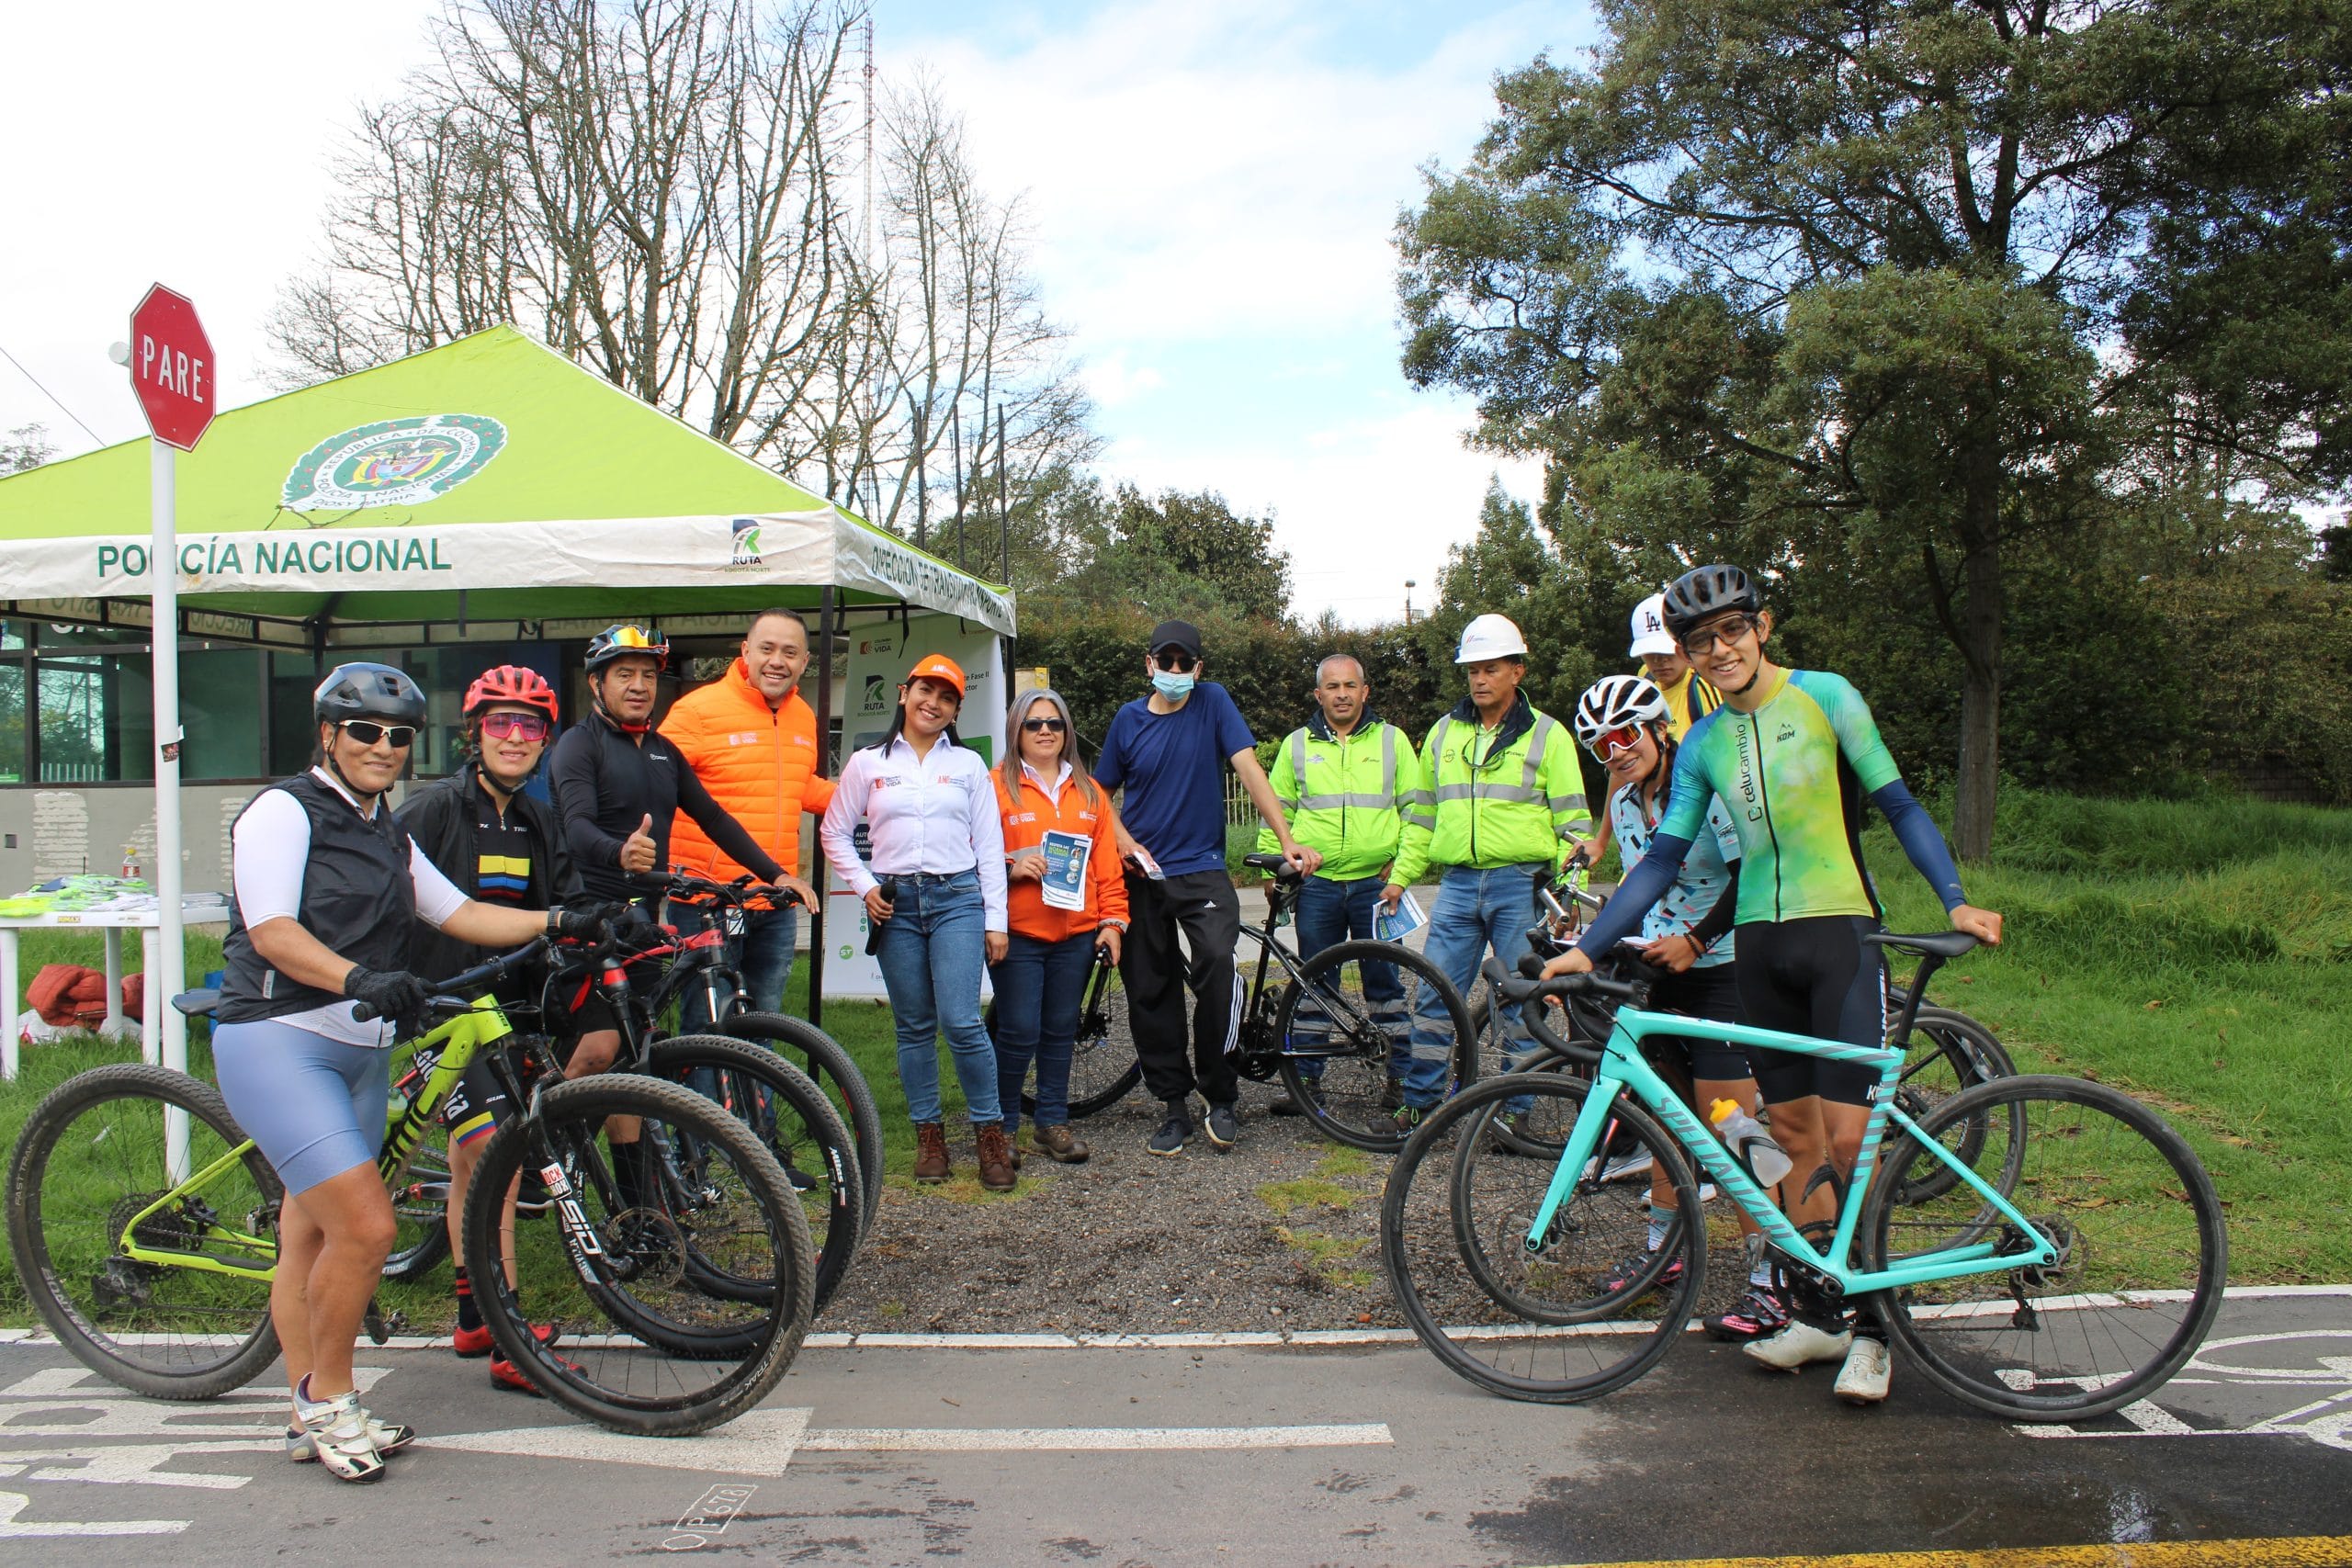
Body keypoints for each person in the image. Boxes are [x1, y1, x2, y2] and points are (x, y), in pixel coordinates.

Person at [1544, 564, 2004, 1406]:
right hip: (1759, 949)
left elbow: (1900, 805)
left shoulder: (1827, 697)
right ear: (1681, 653)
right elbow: (1660, 861)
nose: (1717, 651)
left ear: (1763, 626)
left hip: (1840, 937)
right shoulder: (1708, 744)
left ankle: (1875, 1331)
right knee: (1787, 1138)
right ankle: (1822, 1311)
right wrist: (1591, 946)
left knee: (1846, 1144)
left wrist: (1956, 898)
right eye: (1698, 641)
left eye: (1731, 631)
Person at [210, 663, 614, 1482]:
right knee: (368, 1228)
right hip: (279, 1037)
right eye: (364, 731)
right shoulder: (283, 811)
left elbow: (459, 911)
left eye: (399, 735)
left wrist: (565, 916)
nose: (383, 747)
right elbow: (273, 929)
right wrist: (358, 977)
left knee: (313, 1234)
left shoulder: (384, 829)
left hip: (358, 1050)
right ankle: (332, 1400)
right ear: (327, 734)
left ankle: (307, 1404)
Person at [395, 664, 587, 1395]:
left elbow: (559, 902)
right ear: (474, 734)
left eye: (530, 725)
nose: (515, 736)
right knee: (492, 1156)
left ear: (544, 741)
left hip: (504, 1014)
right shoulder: (434, 810)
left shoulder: (536, 818)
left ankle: (475, 1316)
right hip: (442, 1008)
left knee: (476, 1163)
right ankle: (510, 1340)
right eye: (500, 723)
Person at [1569, 674, 1775, 1325]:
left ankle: (1773, 1271)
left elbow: (1753, 875)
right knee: (1666, 1125)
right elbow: (1644, 876)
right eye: (1602, 746)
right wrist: (1593, 937)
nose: (1617, 752)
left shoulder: (1704, 786)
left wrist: (1697, 937)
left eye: (1626, 734)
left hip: (1725, 968)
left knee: (1733, 1126)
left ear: (1659, 726)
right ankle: (1665, 1251)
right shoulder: (1628, 802)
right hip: (1665, 974)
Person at [1096, 619, 1321, 1157]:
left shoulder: (1213, 702)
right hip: (1144, 875)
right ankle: (1173, 1107)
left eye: (1184, 663)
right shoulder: (1127, 721)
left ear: (1197, 669)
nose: (1174, 671)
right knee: (1151, 989)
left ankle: (1220, 1096)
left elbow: (1250, 771)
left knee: (1218, 967)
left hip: (1201, 869)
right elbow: (1099, 793)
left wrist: (1286, 838)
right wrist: (1124, 841)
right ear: (1148, 664)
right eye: (1165, 661)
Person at [1383, 614, 1593, 1129]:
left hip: (1521, 884)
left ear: (1517, 671)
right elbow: (1423, 816)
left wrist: (1570, 900)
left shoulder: (1549, 735)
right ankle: (1422, 1103)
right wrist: (1402, 876)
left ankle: (1513, 1114)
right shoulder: (1443, 733)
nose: (1479, 679)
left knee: (1520, 1003)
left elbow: (1576, 828)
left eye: (1491, 668)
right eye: (1473, 670)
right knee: (1433, 995)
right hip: (1456, 883)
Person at [820, 655, 1016, 1190]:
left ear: (956, 709)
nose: (934, 703)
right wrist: (865, 888)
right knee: (913, 1027)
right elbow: (834, 833)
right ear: (904, 693)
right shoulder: (866, 763)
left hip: (958, 898)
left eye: (947, 697)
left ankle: (990, 1135)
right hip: (896, 903)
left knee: (962, 1021)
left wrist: (995, 922)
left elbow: (990, 846)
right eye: (926, 691)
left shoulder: (970, 766)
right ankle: (929, 1135)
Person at [1256, 653, 1423, 1116]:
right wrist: (1276, 873)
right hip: (1318, 886)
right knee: (1312, 984)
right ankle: (1307, 1084)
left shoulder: (1394, 742)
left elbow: (1417, 813)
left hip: (1377, 886)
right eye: (1333, 686)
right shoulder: (1295, 746)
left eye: (1351, 685)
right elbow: (1277, 816)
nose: (1342, 694)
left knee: (1384, 983)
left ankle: (1401, 1081)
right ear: (1319, 694)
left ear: (1365, 692)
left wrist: (1403, 871)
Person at [659, 608, 832, 1026]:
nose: (778, 661)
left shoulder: (802, 716)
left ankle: (756, 1097)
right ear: (745, 651)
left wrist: (869, 797)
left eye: (790, 652)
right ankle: (699, 1097)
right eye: (767, 648)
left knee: (765, 1027)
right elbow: (655, 785)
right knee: (709, 1031)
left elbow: (798, 785)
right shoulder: (696, 711)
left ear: (804, 662)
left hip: (774, 900)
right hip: (708, 901)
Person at [990, 687, 1128, 1163]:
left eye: (1054, 723)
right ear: (1017, 731)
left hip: (1076, 936)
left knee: (1059, 1030)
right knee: (1018, 1031)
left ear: (1067, 731)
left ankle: (1051, 1122)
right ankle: (1001, 1128)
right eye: (1034, 724)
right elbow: (973, 859)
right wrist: (1013, 865)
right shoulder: (994, 786)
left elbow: (1107, 869)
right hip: (1019, 934)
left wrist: (1113, 923)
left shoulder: (1090, 793)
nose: (1045, 731)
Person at [1628, 592, 1721, 739]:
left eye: (1667, 651)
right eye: (1650, 652)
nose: (1659, 660)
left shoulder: (1702, 684)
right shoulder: (1646, 679)